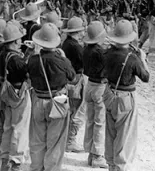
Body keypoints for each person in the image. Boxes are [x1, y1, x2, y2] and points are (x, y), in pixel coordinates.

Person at [28, 23, 76, 171]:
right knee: (55, 141)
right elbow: (72, 77)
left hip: (37, 99)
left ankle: (36, 167)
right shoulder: (60, 60)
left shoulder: (33, 60)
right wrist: (64, 58)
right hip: (57, 101)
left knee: (37, 140)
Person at [104, 20, 149, 171]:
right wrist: (142, 58)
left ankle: (111, 164)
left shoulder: (107, 53)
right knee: (125, 135)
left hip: (109, 93)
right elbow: (146, 77)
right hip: (125, 97)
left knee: (110, 132)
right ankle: (120, 167)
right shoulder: (132, 58)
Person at [0, 24, 31, 171]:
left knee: (8, 127)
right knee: (20, 128)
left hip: (6, 92)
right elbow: (27, 73)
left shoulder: (1, 54)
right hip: (18, 93)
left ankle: (4, 159)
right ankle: (15, 161)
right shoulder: (16, 59)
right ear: (15, 41)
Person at [83, 21, 108, 168]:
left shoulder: (86, 49)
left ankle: (91, 153)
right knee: (100, 122)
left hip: (90, 84)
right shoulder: (100, 52)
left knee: (90, 121)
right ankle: (98, 155)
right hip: (100, 86)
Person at [61, 16, 86, 152]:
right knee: (77, 111)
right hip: (76, 79)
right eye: (82, 30)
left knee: (71, 109)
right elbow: (84, 62)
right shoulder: (75, 46)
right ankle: (70, 141)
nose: (83, 32)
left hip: (70, 78)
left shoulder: (67, 43)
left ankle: (67, 139)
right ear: (78, 31)